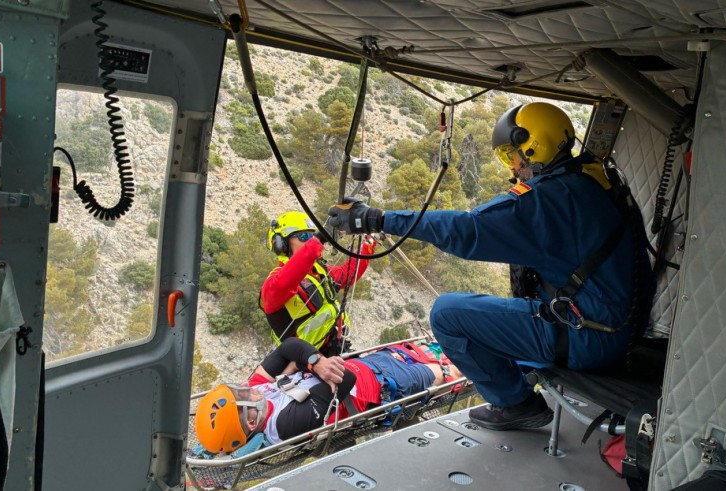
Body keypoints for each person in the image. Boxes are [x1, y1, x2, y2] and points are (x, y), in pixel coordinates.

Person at [327, 102, 656, 431]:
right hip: (620, 331)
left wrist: (378, 219)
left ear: (534, 146)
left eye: (512, 156)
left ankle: (517, 404)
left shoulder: (549, 199)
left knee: (447, 314)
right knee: (502, 307)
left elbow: (467, 230)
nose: (513, 168)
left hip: (588, 339)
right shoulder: (594, 179)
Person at [194, 337, 462, 454]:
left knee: (428, 351)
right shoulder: (285, 426)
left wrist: (310, 361)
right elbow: (345, 379)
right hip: (386, 387)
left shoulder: (259, 392)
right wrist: (305, 364)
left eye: (239, 390)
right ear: (251, 422)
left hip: (371, 365)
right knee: (447, 372)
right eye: (243, 396)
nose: (248, 388)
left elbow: (289, 345)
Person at [260, 211, 374, 357]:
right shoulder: (274, 283)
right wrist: (319, 239)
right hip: (304, 361)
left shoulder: (317, 270)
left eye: (312, 236)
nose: (311, 241)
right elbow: (286, 280)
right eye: (304, 236)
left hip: (335, 349)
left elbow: (347, 274)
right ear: (282, 244)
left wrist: (369, 243)